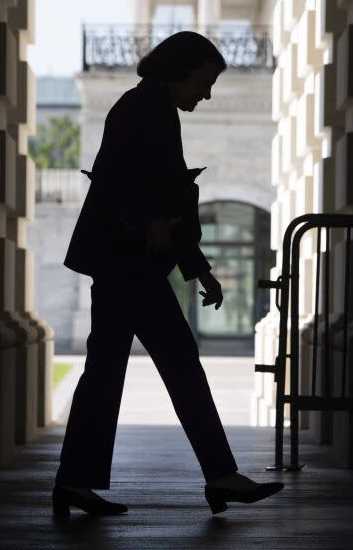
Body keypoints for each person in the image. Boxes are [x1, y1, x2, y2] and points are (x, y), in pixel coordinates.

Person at [52, 31, 283, 517]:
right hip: (128, 264)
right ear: (179, 72)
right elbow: (116, 182)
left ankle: (74, 482)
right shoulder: (141, 109)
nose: (208, 93)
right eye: (205, 81)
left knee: (111, 373)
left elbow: (164, 201)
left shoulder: (151, 109)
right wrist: (150, 226)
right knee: (177, 364)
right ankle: (219, 475)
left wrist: (200, 269)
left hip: (124, 264)